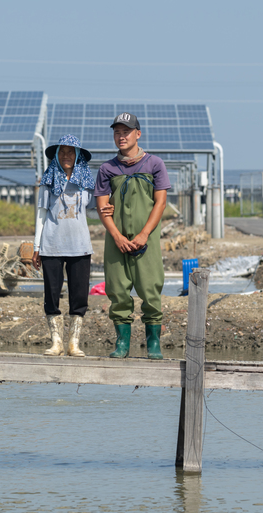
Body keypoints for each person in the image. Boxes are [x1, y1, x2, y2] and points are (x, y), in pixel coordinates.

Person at [95, 112, 170, 359]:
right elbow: (102, 206)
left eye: (126, 132)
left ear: (138, 134)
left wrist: (144, 234)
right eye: (117, 132)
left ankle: (153, 343)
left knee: (150, 288)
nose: (121, 136)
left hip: (146, 240)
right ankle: (122, 343)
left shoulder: (155, 164)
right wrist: (116, 236)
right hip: (116, 240)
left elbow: (160, 203)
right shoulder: (107, 168)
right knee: (117, 289)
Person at [32, 134, 109, 356]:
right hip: (51, 246)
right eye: (62, 151)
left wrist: (107, 210)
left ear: (77, 156)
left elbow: (94, 209)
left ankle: (73, 343)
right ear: (56, 155)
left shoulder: (86, 183)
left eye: (71, 151)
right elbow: (41, 215)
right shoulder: (47, 181)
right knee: (51, 294)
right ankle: (56, 342)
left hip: (80, 246)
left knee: (79, 295)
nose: (66, 155)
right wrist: (36, 247)